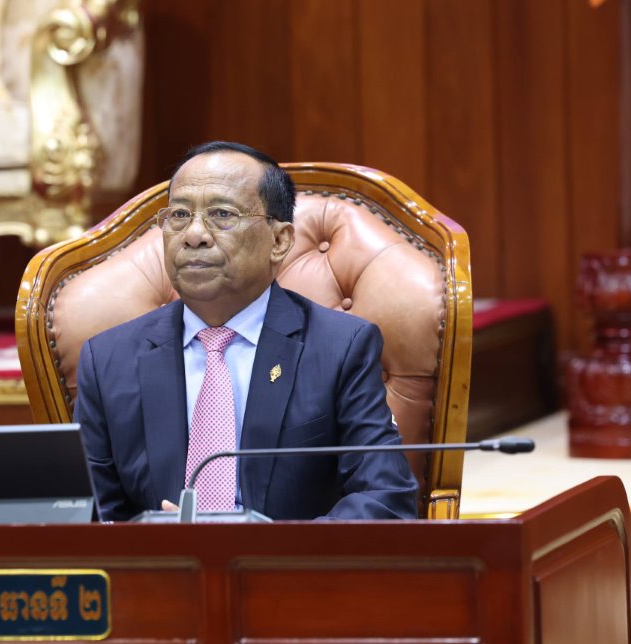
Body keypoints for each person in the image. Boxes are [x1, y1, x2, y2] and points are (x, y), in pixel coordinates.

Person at [74, 141, 418, 521]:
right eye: (180, 215)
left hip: (289, 558)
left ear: (279, 241)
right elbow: (87, 515)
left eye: (222, 214)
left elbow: (385, 497)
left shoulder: (340, 348)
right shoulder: (108, 360)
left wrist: (269, 547)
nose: (194, 234)